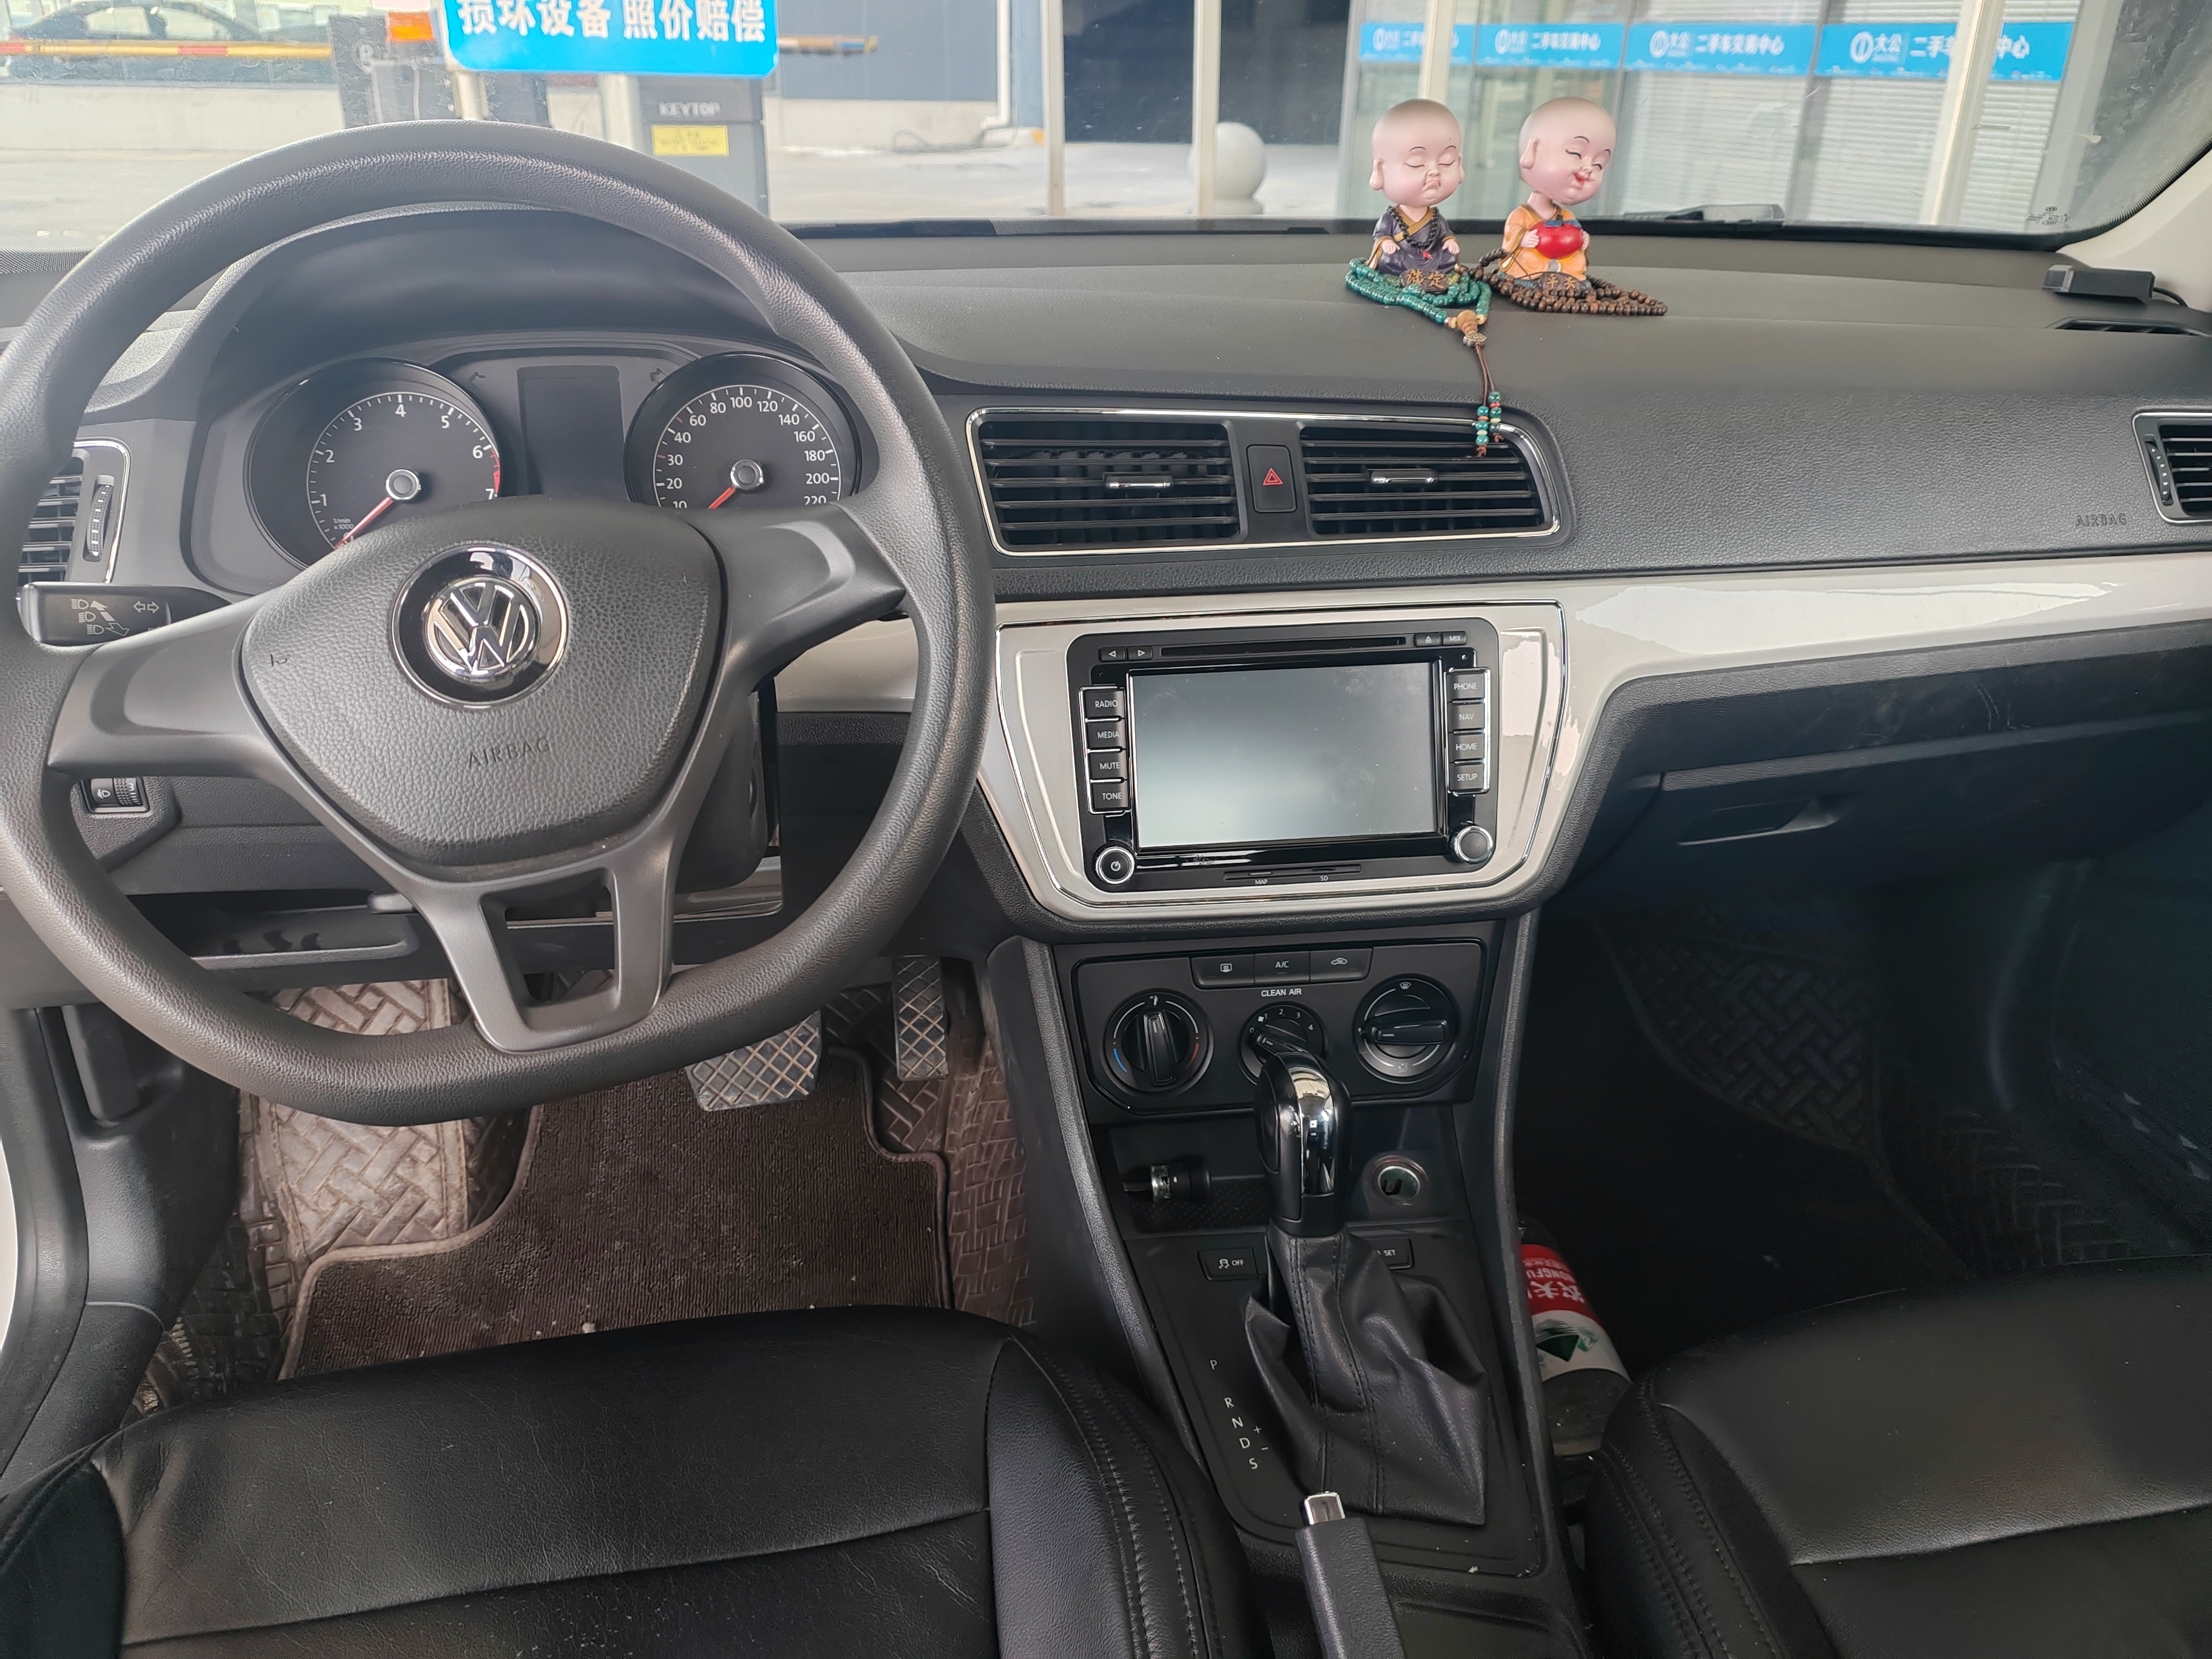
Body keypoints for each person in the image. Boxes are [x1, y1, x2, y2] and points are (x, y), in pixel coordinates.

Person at [1498, 96, 1612, 297]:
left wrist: (1582, 241)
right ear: (1533, 151)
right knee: (1528, 259)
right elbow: (1512, 233)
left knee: (1577, 261)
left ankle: (1562, 276)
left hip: (1562, 258)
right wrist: (1523, 238)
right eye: (1576, 153)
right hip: (1533, 260)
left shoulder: (1566, 215)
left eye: (1598, 165)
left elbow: (1575, 235)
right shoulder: (1522, 214)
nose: (1588, 169)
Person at [1366, 97, 1467, 293]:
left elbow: (1444, 234)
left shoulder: (1436, 219)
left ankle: (1433, 278)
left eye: (1446, 162)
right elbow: (1381, 235)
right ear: (1381, 170)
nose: (1434, 172)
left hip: (1431, 259)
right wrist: (1386, 242)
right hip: (1402, 259)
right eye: (1417, 164)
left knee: (1450, 257)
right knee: (1388, 259)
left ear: (1459, 162)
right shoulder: (1391, 218)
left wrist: (1449, 241)